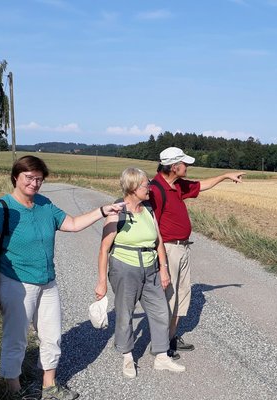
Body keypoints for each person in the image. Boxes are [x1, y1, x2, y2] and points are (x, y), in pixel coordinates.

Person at [0, 155, 124, 400]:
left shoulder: (45, 205)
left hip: (48, 282)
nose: (34, 184)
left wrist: (102, 211)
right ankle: (14, 389)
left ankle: (49, 385)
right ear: (16, 177)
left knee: (52, 335)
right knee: (16, 337)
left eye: (39, 179)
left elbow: (74, 223)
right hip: (16, 283)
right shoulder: (0, 209)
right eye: (29, 178)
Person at [149, 147, 245, 359]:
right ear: (174, 167)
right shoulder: (156, 190)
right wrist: (161, 262)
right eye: (185, 164)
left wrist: (225, 176)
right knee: (168, 298)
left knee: (181, 295)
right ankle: (161, 345)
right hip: (168, 250)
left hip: (182, 247)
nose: (188, 167)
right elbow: (152, 227)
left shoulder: (177, 185)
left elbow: (202, 185)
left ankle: (171, 338)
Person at [96, 167, 185, 379]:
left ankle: (162, 357)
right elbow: (104, 249)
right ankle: (127, 356)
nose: (150, 189)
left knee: (161, 311)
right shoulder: (117, 212)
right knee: (125, 312)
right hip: (124, 268)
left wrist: (163, 269)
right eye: (146, 185)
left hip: (151, 267)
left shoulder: (148, 210)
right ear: (134, 187)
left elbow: (159, 241)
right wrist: (101, 282)